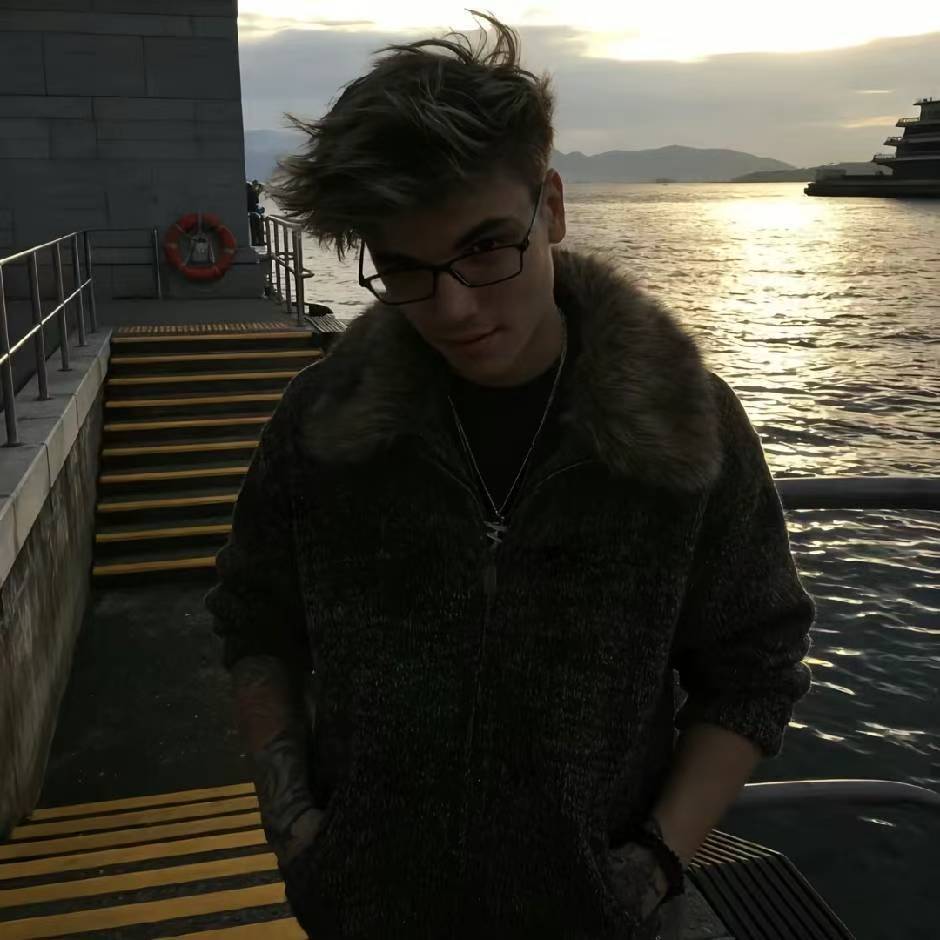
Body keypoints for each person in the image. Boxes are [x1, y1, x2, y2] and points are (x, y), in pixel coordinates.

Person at [204, 12, 815, 940]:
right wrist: (298, 833)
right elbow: (256, 620)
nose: (453, 308)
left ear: (552, 207)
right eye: (404, 268)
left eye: (487, 246)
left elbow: (756, 666)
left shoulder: (684, 423)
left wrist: (650, 868)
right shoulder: (320, 422)